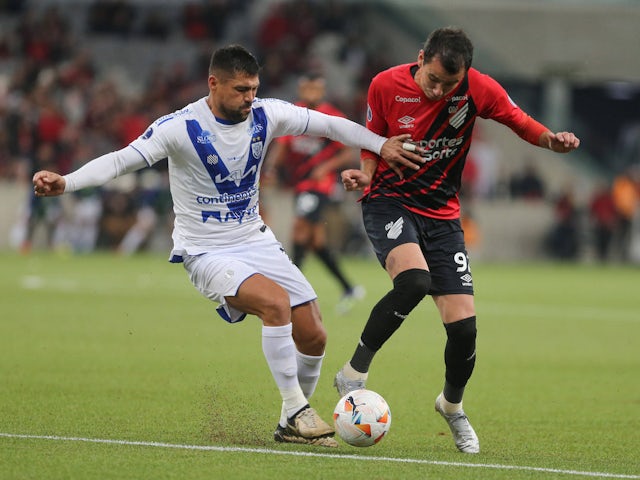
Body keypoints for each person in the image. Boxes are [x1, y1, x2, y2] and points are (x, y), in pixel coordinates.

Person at [32, 44, 423, 448]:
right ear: (213, 83)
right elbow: (121, 160)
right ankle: (295, 409)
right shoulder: (179, 126)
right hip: (205, 250)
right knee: (275, 304)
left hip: (254, 238)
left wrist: (380, 145)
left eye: (254, 88)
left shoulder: (266, 114)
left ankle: (290, 422)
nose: (249, 98)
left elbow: (330, 125)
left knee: (314, 334)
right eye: (240, 90)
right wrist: (68, 181)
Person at [333, 27, 580, 454]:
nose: (440, 89)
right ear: (421, 57)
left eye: (450, 84)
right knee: (413, 281)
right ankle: (354, 372)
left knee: (465, 330)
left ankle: (451, 406)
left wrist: (550, 140)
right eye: (434, 80)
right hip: (389, 201)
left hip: (443, 215)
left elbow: (518, 121)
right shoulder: (385, 85)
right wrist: (366, 175)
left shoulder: (478, 89)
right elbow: (373, 141)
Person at [265, 73, 365, 314]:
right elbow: (283, 144)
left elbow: (348, 152)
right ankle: (349, 288)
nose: (311, 93)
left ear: (322, 90)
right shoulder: (295, 113)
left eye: (315, 88)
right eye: (307, 87)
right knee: (316, 242)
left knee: (299, 230)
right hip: (300, 183)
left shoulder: (332, 116)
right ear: (301, 88)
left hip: (319, 186)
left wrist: (325, 167)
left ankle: (291, 292)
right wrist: (270, 168)